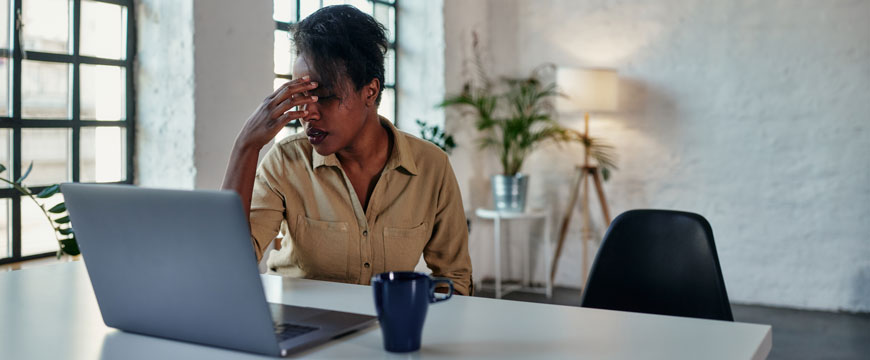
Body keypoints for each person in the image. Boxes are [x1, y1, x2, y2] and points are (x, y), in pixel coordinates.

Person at [222, 5, 472, 295]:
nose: (307, 113)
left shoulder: (430, 166)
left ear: (370, 91)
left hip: (388, 323)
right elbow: (228, 264)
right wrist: (246, 146)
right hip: (298, 319)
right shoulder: (286, 161)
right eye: (301, 96)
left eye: (323, 96)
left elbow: (454, 279)